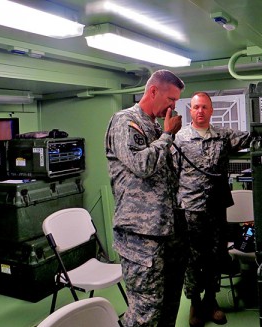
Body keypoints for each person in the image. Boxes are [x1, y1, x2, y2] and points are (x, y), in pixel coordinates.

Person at [105, 69, 187, 327]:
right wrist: (167, 136)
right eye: (171, 99)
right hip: (140, 237)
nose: (174, 106)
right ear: (153, 91)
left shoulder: (154, 125)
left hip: (168, 231)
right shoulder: (125, 122)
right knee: (145, 311)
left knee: (169, 303)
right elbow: (142, 164)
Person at [173, 92, 252, 327]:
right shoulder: (179, 139)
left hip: (216, 208)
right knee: (192, 259)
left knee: (215, 255)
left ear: (211, 110)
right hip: (190, 208)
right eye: (196, 107)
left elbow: (251, 138)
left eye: (204, 107)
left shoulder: (223, 136)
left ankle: (211, 300)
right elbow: (171, 173)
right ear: (190, 110)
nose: (200, 111)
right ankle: (195, 303)